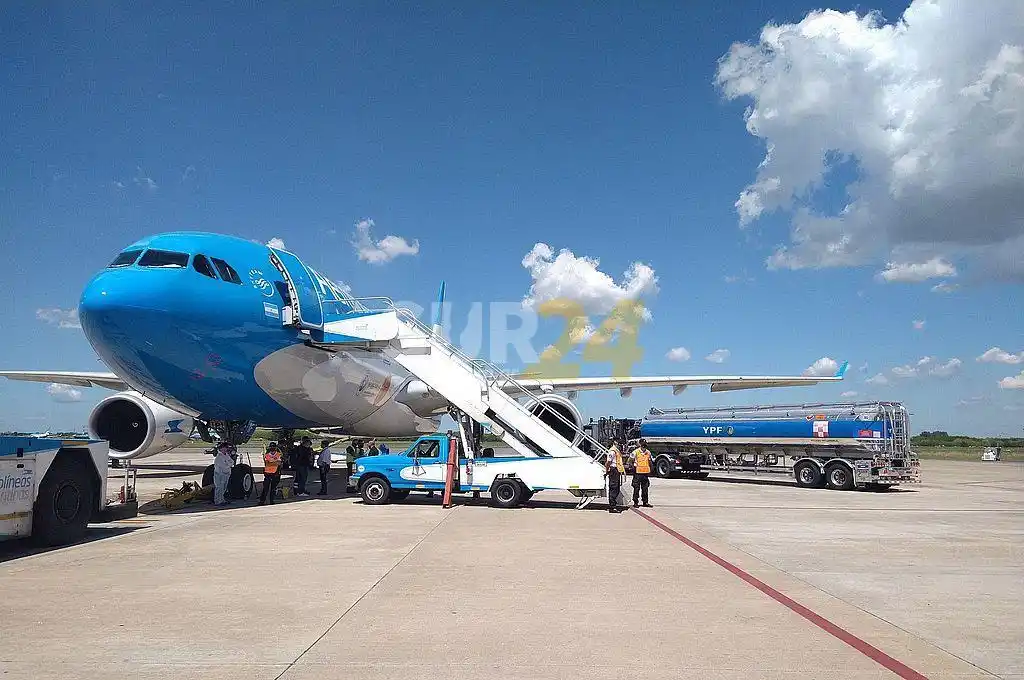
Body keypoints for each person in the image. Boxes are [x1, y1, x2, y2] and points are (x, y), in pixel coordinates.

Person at [629, 439, 653, 507]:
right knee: (636, 488)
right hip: (637, 472)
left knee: (645, 488)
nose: (644, 446)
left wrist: (651, 469)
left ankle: (645, 502)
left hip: (645, 473)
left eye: (645, 445)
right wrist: (632, 467)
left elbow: (649, 461)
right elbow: (630, 460)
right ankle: (635, 502)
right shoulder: (635, 452)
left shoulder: (648, 452)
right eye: (643, 445)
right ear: (640, 444)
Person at [605, 440, 626, 513]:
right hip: (613, 470)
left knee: (616, 488)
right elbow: (608, 462)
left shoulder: (616, 450)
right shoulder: (612, 451)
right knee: (613, 488)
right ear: (615, 443)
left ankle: (613, 504)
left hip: (617, 470)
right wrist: (607, 470)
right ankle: (612, 506)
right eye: (618, 443)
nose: (620, 445)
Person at [212, 442, 235, 507]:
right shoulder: (219, 457)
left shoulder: (226, 455)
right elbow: (223, 466)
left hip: (226, 473)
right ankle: (217, 501)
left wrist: (228, 464)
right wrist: (229, 465)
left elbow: (232, 462)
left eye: (226, 448)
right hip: (220, 474)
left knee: (224, 488)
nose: (225, 450)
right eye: (224, 448)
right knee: (219, 487)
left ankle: (222, 500)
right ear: (221, 449)